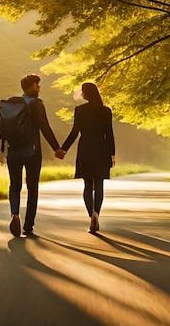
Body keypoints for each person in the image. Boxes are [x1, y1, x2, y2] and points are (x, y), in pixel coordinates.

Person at [6, 74, 66, 237]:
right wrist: (57, 148)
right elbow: (44, 127)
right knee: (32, 188)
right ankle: (28, 226)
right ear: (32, 86)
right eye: (37, 85)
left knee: (15, 186)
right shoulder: (36, 104)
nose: (39, 88)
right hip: (32, 152)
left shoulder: (11, 104)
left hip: (13, 152)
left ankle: (15, 214)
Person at [57, 82, 115, 233]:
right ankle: (97, 213)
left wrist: (63, 149)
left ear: (85, 94)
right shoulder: (106, 111)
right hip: (102, 149)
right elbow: (109, 134)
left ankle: (91, 215)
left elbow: (75, 132)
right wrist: (112, 154)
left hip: (85, 149)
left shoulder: (80, 110)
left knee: (87, 185)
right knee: (99, 184)